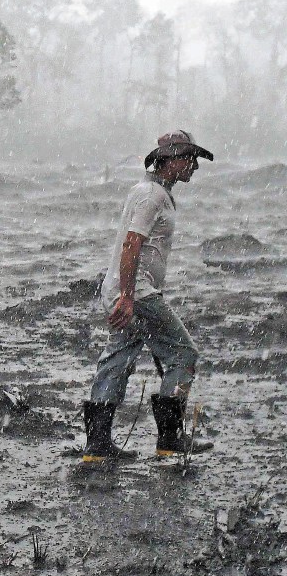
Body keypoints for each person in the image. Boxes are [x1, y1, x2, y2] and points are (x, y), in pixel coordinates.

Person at [82, 130, 216, 462]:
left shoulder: (149, 192)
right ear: (170, 160)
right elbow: (131, 244)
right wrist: (128, 297)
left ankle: (98, 446)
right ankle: (170, 438)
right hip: (137, 293)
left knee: (117, 359)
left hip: (125, 291)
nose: (195, 167)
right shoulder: (150, 196)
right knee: (184, 355)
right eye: (190, 159)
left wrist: (122, 295)